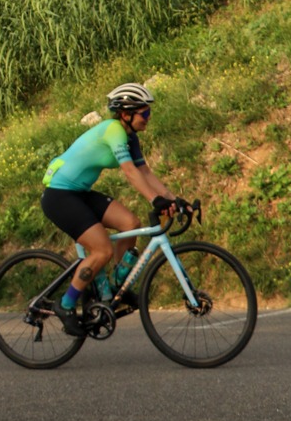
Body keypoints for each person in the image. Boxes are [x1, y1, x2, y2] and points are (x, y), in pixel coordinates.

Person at [41, 82, 186, 332]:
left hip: (79, 193)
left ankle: (118, 289)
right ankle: (65, 305)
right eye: (145, 113)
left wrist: (172, 199)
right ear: (126, 114)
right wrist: (155, 200)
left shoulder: (131, 137)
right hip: (59, 196)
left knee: (131, 223)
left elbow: (144, 172)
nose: (148, 118)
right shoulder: (113, 131)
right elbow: (130, 172)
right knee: (102, 250)